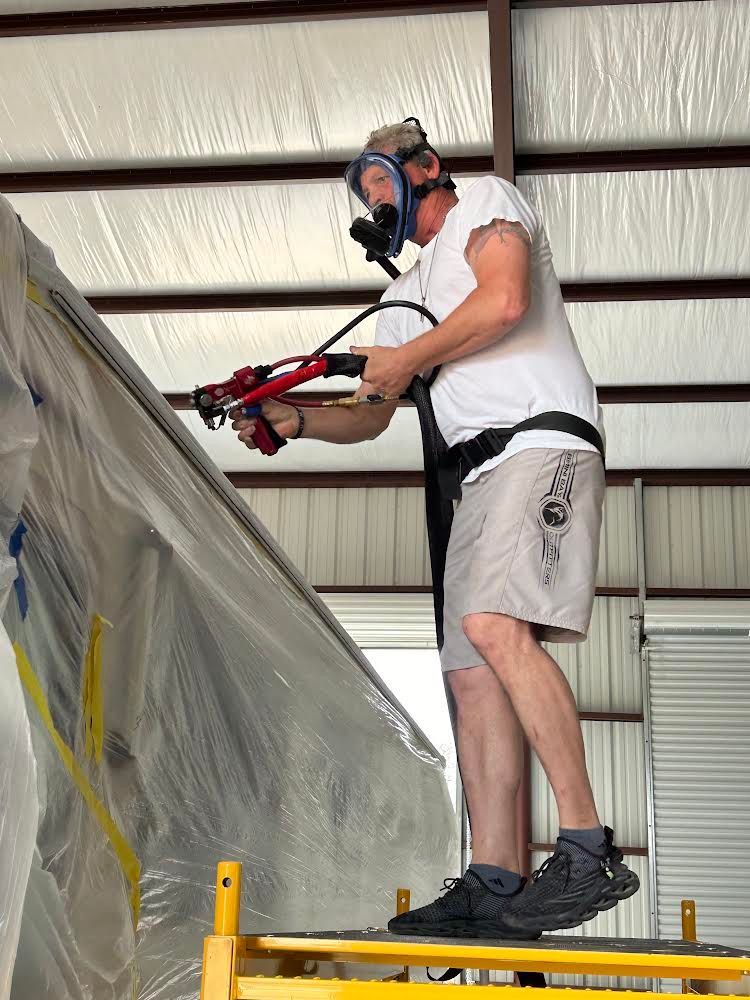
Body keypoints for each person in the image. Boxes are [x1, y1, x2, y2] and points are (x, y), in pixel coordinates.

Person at [232, 119, 639, 939]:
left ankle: (589, 847)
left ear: (426, 169)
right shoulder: (396, 303)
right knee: (470, 672)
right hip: (476, 478)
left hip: (539, 438)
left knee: (492, 625)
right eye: (363, 194)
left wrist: (410, 355)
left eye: (380, 180)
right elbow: (370, 418)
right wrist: (294, 418)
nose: (373, 199)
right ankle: (494, 876)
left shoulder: (482, 207)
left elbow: (505, 300)